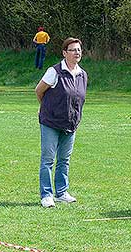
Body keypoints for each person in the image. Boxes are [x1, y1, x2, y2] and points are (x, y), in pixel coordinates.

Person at [35, 37, 87, 208]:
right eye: (72, 50)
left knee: (64, 160)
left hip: (70, 124)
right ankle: (46, 195)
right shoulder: (54, 71)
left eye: (78, 49)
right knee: (48, 159)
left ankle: (62, 193)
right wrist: (48, 108)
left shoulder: (82, 74)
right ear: (64, 53)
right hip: (50, 122)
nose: (77, 52)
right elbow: (39, 91)